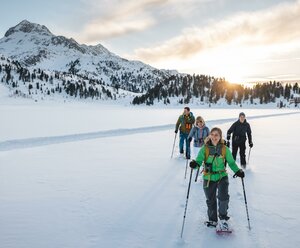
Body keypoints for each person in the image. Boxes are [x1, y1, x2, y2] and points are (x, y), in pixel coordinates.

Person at [189, 127, 245, 230]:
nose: (214, 137)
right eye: (213, 134)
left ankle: (223, 218)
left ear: (220, 137)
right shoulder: (205, 149)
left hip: (221, 176)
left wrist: (237, 171)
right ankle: (213, 220)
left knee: (223, 198)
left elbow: (231, 162)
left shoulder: (224, 149)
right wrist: (194, 164)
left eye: (217, 135)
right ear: (210, 135)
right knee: (211, 200)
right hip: (208, 177)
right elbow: (199, 161)